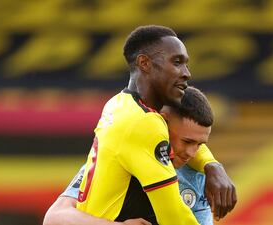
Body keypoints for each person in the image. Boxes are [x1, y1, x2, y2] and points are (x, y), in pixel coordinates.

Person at [55, 25, 235, 225]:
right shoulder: (144, 124)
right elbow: (173, 216)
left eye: (186, 64)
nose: (186, 73)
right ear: (144, 63)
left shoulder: (119, 104)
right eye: (177, 62)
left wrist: (212, 165)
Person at [44, 86, 221, 225]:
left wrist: (212, 165)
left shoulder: (197, 178)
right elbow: (55, 217)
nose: (191, 153)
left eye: (200, 144)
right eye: (187, 141)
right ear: (163, 125)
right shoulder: (117, 159)